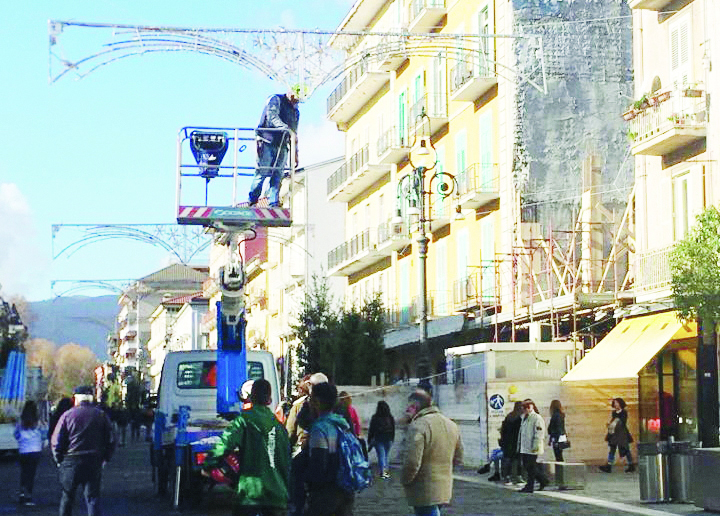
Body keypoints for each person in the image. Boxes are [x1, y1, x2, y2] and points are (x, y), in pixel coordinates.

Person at [204, 379, 291, 516]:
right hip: (277, 494)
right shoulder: (280, 427)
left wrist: (208, 464)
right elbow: (286, 463)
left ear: (251, 397)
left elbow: (225, 444)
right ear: (269, 400)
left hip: (251, 492)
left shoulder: (244, 420)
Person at [51, 386, 115, 516]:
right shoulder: (101, 415)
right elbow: (111, 439)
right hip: (93, 460)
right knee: (92, 499)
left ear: (76, 399)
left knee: (67, 497)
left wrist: (59, 459)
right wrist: (105, 458)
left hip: (71, 460)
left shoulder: (67, 415)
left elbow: (56, 440)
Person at [401, 390, 463, 516]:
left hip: (423, 487)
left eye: (408, 408)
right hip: (444, 487)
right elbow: (459, 457)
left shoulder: (418, 426)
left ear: (414, 407)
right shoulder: (451, 424)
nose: (406, 412)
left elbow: (412, 461)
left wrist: (405, 479)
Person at [305, 382, 354, 516]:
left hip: (326, 494)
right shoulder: (342, 424)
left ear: (317, 402)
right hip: (346, 488)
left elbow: (318, 464)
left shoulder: (320, 428)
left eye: (311, 399)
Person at [249, 87, 301, 207]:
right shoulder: (276, 99)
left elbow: (294, 133)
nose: (296, 102)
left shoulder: (295, 112)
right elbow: (272, 117)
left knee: (277, 175)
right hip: (267, 140)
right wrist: (286, 129)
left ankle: (273, 202)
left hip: (282, 145)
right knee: (261, 172)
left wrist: (295, 154)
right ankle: (253, 199)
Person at [285, 372, 327, 516]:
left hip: (305, 453)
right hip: (332, 470)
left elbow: (290, 431)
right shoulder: (339, 406)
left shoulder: (302, 405)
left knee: (297, 488)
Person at [14, 400, 44, 506]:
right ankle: (29, 496)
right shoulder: (38, 422)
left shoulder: (20, 422)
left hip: (23, 450)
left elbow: (16, 435)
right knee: (31, 474)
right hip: (35, 450)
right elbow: (44, 435)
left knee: (24, 473)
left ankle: (22, 493)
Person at [517, 399, 549, 494]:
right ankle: (543, 480)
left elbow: (539, 433)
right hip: (525, 447)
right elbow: (521, 433)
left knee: (530, 467)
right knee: (528, 466)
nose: (524, 410)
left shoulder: (537, 418)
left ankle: (530, 486)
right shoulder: (524, 417)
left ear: (530, 407)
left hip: (532, 447)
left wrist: (535, 446)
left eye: (525, 408)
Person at [599, 397, 635, 473]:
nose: (615, 405)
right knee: (612, 449)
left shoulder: (624, 412)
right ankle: (609, 465)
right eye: (614, 403)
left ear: (620, 404)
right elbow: (613, 421)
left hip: (622, 434)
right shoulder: (614, 412)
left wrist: (614, 423)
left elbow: (622, 422)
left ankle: (631, 465)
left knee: (626, 449)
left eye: (617, 403)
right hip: (615, 434)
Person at [367, 401, 395, 479]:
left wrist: (369, 440)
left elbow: (371, 429)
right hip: (388, 439)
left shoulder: (375, 417)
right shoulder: (390, 417)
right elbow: (393, 429)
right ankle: (385, 472)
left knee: (381, 456)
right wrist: (392, 439)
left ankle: (383, 472)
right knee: (386, 456)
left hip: (379, 439)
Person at [499, 401, 523, 485]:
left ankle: (507, 477)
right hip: (516, 442)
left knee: (508, 460)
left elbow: (503, 430)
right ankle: (518, 477)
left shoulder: (509, 416)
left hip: (507, 442)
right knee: (517, 460)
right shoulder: (519, 418)